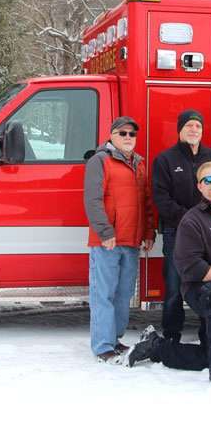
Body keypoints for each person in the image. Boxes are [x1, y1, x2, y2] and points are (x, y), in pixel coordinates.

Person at [125, 161, 211, 388]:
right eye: (207, 180)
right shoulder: (192, 220)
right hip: (201, 289)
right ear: (199, 187)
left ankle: (156, 347)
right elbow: (191, 265)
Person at [83, 116, 156, 362]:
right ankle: (103, 345)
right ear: (111, 135)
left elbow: (146, 203)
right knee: (103, 293)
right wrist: (105, 232)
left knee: (123, 294)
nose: (127, 137)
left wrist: (148, 233)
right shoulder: (100, 160)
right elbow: (92, 200)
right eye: (122, 133)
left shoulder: (139, 163)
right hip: (108, 241)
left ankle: (115, 339)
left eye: (131, 134)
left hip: (132, 242)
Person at [152, 109, 211, 343]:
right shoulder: (165, 160)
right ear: (180, 130)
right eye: (189, 126)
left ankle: (208, 333)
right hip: (176, 232)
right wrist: (190, 219)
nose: (194, 130)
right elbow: (161, 198)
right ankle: (171, 334)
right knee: (174, 285)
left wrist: (208, 220)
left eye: (198, 126)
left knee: (209, 283)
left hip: (210, 232)